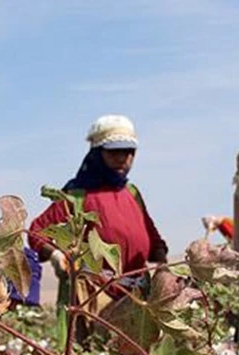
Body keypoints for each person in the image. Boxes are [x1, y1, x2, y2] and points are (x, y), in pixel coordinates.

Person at [28, 114, 168, 278]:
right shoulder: (76, 195)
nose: (123, 159)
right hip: (92, 294)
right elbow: (37, 232)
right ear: (97, 153)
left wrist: (162, 265)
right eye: (114, 152)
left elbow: (152, 237)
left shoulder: (131, 192)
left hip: (136, 295)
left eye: (129, 152)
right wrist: (55, 255)